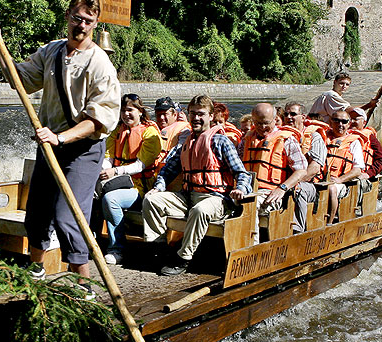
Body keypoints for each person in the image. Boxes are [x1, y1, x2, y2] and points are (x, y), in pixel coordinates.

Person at [0, 0, 121, 299]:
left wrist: (61, 137)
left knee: (67, 214)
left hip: (84, 149)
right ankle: (36, 268)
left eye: (88, 21)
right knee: (38, 210)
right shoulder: (52, 52)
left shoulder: (100, 64)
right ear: (67, 17)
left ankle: (83, 284)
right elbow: (17, 79)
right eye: (76, 18)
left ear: (95, 24)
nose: (81, 26)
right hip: (50, 144)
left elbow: (100, 119)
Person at [142, 95, 252, 276]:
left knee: (200, 210)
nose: (196, 118)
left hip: (216, 199)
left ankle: (183, 259)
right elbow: (167, 171)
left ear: (210, 116)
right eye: (192, 113)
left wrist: (240, 188)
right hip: (188, 196)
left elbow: (241, 173)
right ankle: (161, 248)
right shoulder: (185, 143)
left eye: (201, 114)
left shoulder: (221, 142)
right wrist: (159, 186)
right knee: (151, 200)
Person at [100, 94, 162, 264]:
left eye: (130, 110)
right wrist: (104, 169)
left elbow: (140, 165)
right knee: (87, 192)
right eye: (122, 111)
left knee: (110, 199)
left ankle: (116, 248)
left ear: (140, 111)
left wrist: (115, 171)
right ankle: (89, 239)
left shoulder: (150, 133)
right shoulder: (117, 131)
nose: (126, 114)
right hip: (117, 181)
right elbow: (108, 157)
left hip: (140, 188)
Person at [239, 103, 307, 241]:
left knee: (252, 204)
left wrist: (282, 188)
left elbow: (301, 170)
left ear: (275, 119)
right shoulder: (246, 140)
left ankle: (252, 248)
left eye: (266, 123)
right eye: (258, 123)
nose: (262, 127)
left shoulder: (287, 140)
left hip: (273, 193)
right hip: (246, 190)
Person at [281, 101, 328, 233]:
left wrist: (289, 184)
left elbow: (314, 168)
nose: (289, 117)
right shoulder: (282, 136)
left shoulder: (314, 137)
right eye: (286, 114)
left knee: (298, 189)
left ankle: (297, 231)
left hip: (311, 185)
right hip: (283, 183)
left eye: (293, 114)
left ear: (303, 117)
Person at [324, 109, 365, 223]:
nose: (340, 124)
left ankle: (329, 223)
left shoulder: (354, 143)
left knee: (332, 189)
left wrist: (339, 180)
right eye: (336, 121)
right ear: (331, 122)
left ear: (349, 124)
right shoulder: (322, 137)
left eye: (344, 121)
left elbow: (357, 170)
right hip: (321, 179)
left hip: (341, 183)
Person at [348, 106, 382, 206]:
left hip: (360, 177)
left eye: (355, 119)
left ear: (364, 123)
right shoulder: (341, 135)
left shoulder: (370, 138)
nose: (352, 121)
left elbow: (381, 161)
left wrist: (368, 174)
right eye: (349, 119)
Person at [310, 72, 378, 123]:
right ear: (335, 82)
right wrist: (369, 105)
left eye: (347, 84)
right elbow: (347, 111)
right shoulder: (331, 95)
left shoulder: (334, 95)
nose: (344, 86)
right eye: (341, 83)